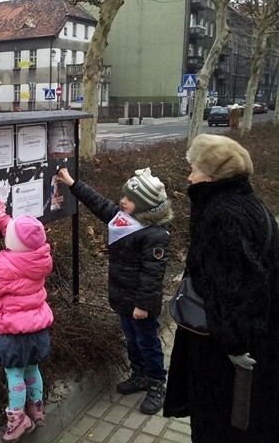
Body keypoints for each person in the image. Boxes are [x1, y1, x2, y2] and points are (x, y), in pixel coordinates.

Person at [163, 134, 279, 442]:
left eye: (195, 169)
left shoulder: (221, 214)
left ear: (213, 175)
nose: (189, 176)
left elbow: (234, 287)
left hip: (223, 348)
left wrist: (234, 344)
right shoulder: (252, 205)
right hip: (259, 335)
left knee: (221, 420)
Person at [57, 167, 173, 414]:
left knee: (147, 342)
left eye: (130, 200)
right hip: (123, 298)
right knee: (132, 339)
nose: (123, 201)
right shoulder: (123, 220)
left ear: (144, 207)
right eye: (124, 196)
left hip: (141, 304)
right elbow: (99, 203)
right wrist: (72, 183)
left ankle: (156, 384)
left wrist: (142, 305)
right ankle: (139, 374)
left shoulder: (154, 235)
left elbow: (153, 276)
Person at [0, 201, 53, 443]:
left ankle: (18, 419)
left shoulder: (5, 265)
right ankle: (36, 407)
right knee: (32, 369)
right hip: (38, 329)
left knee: (14, 374)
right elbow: (21, 238)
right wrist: (3, 220)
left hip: (14, 333)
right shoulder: (39, 256)